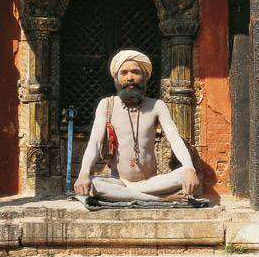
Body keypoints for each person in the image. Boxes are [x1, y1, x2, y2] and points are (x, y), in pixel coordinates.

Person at [74, 49, 199, 202]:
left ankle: (128, 194)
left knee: (183, 175)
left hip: (152, 183)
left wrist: (189, 168)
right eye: (124, 73)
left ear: (145, 76)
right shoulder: (106, 105)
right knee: (93, 184)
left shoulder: (157, 105)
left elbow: (174, 138)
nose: (130, 77)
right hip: (118, 182)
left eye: (135, 72)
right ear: (116, 78)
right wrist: (84, 173)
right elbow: (94, 142)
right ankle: (161, 199)